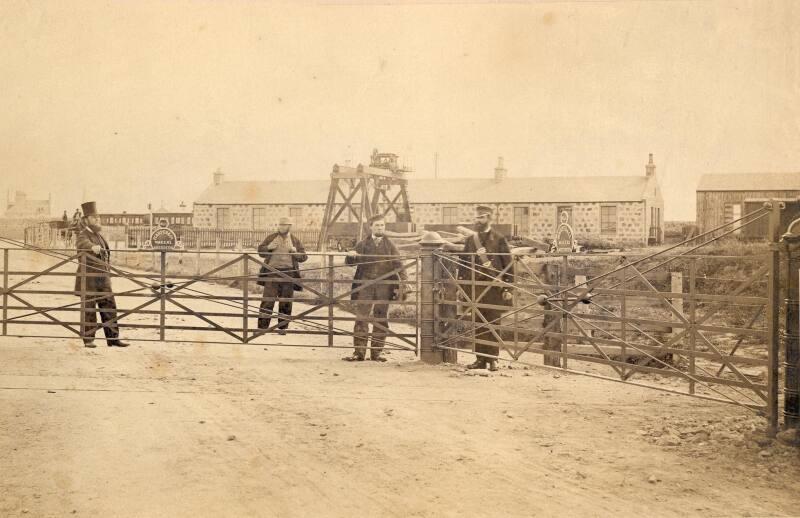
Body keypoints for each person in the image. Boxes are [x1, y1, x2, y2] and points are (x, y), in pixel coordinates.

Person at [342, 214, 407, 362]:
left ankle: (376, 353)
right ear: (370, 227)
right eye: (377, 225)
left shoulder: (390, 245)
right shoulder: (363, 244)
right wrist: (351, 255)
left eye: (382, 225)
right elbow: (350, 262)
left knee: (381, 319)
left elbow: (399, 264)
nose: (380, 228)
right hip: (365, 285)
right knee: (361, 318)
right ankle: (359, 353)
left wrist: (405, 280)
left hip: (384, 286)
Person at [458, 205, 513, 371]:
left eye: (481, 217)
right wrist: (462, 287)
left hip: (494, 288)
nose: (478, 220)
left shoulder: (499, 239)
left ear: (489, 218)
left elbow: (508, 265)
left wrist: (508, 288)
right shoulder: (471, 240)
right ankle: (480, 359)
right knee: (478, 323)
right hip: (476, 288)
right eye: (477, 217)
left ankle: (493, 359)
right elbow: (463, 265)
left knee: (493, 323)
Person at [74, 201, 128, 348]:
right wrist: (92, 247)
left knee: (109, 306)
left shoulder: (99, 235)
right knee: (89, 309)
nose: (97, 219)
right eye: (94, 217)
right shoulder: (83, 235)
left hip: (103, 278)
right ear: (86, 220)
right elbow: (82, 245)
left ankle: (113, 339)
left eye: (98, 217)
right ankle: (89, 340)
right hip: (89, 279)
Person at [256, 217, 308, 334]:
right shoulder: (271, 238)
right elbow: (260, 251)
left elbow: (304, 257)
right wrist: (268, 248)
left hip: (288, 274)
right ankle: (262, 328)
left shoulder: (295, 240)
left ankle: (282, 328)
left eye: (284, 225)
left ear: (289, 226)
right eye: (280, 225)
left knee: (286, 302)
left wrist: (294, 251)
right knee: (267, 301)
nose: (281, 227)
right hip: (271, 273)